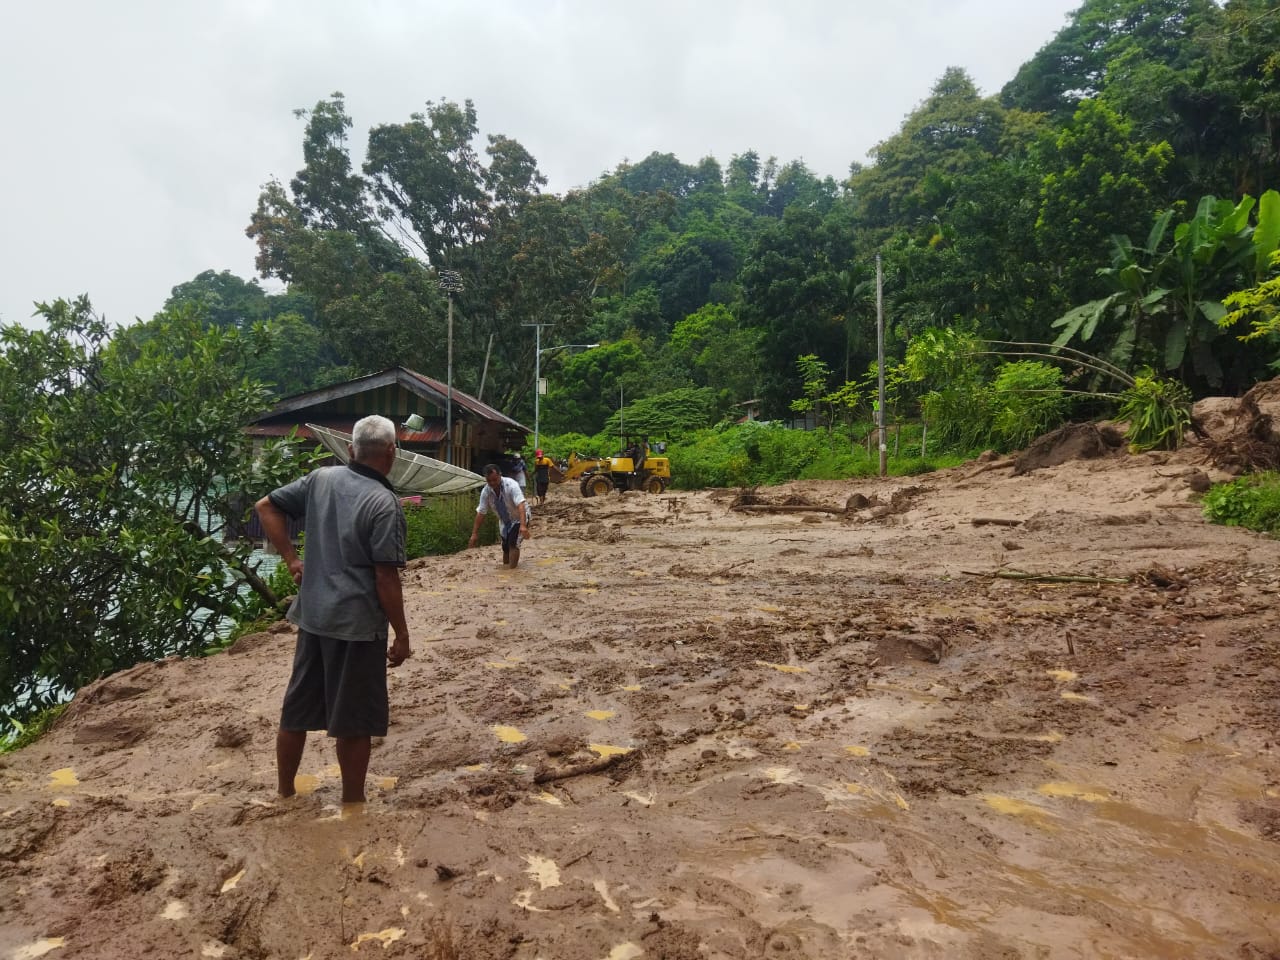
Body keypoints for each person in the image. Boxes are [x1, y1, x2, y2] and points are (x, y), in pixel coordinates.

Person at [254, 414, 410, 805]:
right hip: (357, 628)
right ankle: (352, 805)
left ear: (352, 450)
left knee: (296, 712)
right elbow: (385, 578)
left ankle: (285, 794)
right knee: (354, 723)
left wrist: (291, 559)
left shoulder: (320, 479)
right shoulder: (384, 504)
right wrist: (402, 634)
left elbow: (266, 506)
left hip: (313, 618)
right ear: (391, 453)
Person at [468, 462, 531, 568]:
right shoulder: (486, 492)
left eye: (494, 479)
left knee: (513, 543)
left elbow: (521, 505)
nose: (492, 483)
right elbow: (481, 513)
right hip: (504, 521)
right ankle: (505, 570)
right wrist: (474, 534)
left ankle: (512, 572)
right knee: (505, 547)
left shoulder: (511, 485)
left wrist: (523, 525)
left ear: (500, 475)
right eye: (489, 481)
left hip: (519, 517)